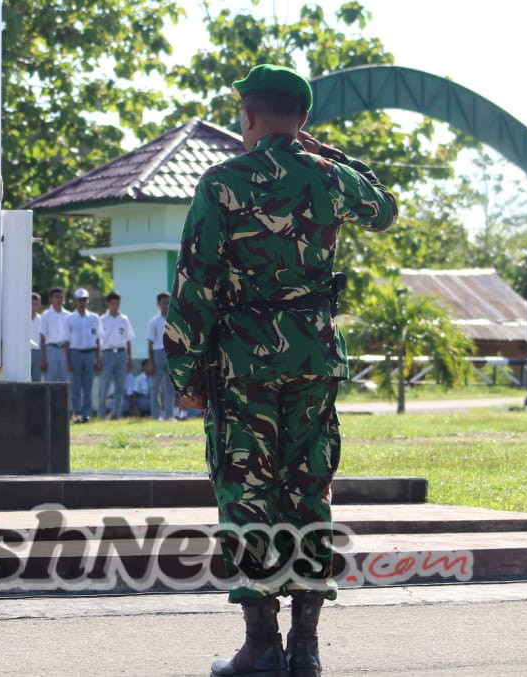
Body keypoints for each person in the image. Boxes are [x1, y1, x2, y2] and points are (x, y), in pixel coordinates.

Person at [164, 64, 398, 677]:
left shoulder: (221, 182)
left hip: (242, 364)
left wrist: (185, 371)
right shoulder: (331, 178)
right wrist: (328, 154)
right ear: (304, 119)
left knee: (247, 495)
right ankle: (307, 648)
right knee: (308, 492)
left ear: (247, 115)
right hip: (313, 359)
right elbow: (385, 209)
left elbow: (195, 281)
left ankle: (261, 646)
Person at [65, 287, 100, 423]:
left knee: (88, 386)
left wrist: (98, 358)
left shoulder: (94, 318)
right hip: (76, 353)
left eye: (84, 300)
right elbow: (67, 341)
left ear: (88, 301)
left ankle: (86, 414)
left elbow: (98, 339)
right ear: (75, 301)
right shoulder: (70, 318)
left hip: (90, 353)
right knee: (75, 386)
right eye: (80, 300)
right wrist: (68, 360)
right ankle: (76, 413)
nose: (82, 302)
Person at [96, 291, 133, 419]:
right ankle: (101, 415)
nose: (115, 306)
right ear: (108, 303)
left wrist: (129, 358)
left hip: (121, 354)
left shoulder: (124, 319)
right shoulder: (102, 319)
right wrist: (98, 359)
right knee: (104, 387)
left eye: (117, 303)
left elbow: (128, 339)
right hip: (107, 354)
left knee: (120, 387)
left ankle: (116, 414)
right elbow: (98, 341)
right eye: (112, 303)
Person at [146, 291, 174, 421]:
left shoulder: (174, 320)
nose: (166, 305)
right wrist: (150, 362)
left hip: (171, 354)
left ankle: (170, 415)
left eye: (168, 303)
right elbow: (150, 342)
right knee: (155, 387)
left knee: (170, 387)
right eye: (163, 303)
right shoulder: (154, 321)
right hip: (158, 353)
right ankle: (156, 415)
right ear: (158, 304)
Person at [38, 286, 70, 384]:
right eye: (56, 297)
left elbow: (71, 338)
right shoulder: (45, 315)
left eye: (61, 297)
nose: (59, 299)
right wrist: (42, 359)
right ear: (51, 299)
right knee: (50, 381)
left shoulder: (69, 315)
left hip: (65, 350)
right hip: (51, 350)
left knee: (66, 381)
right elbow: (42, 337)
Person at [29, 291, 43, 382]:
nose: (34, 307)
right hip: (26, 352)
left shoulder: (42, 319)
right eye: (32, 304)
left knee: (37, 380)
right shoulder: (22, 318)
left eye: (36, 304)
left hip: (38, 352)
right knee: (24, 380)